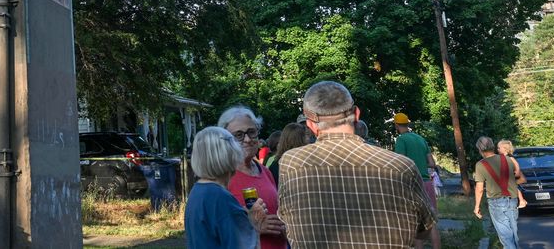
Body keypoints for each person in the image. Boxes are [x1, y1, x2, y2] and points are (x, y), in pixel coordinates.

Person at [277, 81, 435, 249]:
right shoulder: (400, 167)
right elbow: (424, 230)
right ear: (356, 114)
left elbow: (286, 223)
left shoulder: (292, 163)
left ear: (310, 125)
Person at [184, 126, 268, 249]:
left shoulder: (197, 191)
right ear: (229, 157)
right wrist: (255, 224)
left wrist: (244, 217)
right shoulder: (221, 198)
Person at [218, 106, 288, 249]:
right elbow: (212, 228)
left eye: (252, 132)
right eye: (238, 135)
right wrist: (251, 227)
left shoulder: (265, 171)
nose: (248, 139)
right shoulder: (220, 177)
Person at [393, 113, 442, 249]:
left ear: (396, 125)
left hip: (411, 184)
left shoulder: (401, 140)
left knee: (414, 224)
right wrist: (420, 164)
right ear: (408, 124)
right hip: (427, 183)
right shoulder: (421, 139)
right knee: (431, 223)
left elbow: (400, 163)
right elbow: (431, 163)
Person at [472, 136, 520, 249]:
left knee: (506, 237)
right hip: (512, 200)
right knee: (514, 235)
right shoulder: (507, 159)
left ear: (480, 149)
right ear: (493, 146)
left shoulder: (480, 165)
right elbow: (516, 175)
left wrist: (476, 206)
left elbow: (479, 188)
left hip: (496, 202)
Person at [495, 139, 527, 210]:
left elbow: (516, 164)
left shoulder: (510, 157)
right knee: (513, 187)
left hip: (512, 175)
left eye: (499, 148)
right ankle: (520, 200)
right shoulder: (503, 157)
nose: (497, 149)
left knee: (514, 187)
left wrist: (517, 172)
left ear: (505, 149)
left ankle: (522, 201)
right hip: (509, 175)